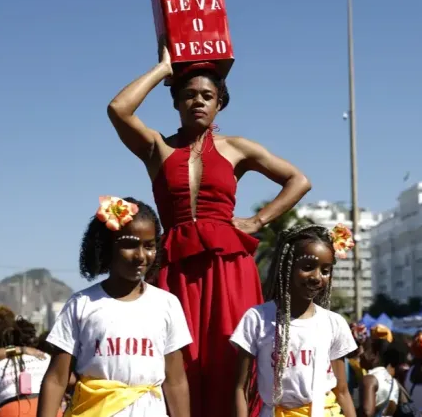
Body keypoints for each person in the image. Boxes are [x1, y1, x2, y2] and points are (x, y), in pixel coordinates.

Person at [106, 41, 311, 417]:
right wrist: (164, 69)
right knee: (176, 362)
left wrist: (258, 220)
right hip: (174, 269)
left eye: (207, 95)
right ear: (176, 102)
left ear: (219, 103)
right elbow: (118, 109)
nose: (197, 101)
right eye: (188, 95)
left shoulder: (237, 148)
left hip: (230, 267)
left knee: (233, 359)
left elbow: (298, 180)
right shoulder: (157, 148)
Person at [37, 197, 191, 417]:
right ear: (107, 247)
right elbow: (56, 379)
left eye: (149, 246)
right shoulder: (81, 304)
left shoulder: (167, 304)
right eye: (129, 245)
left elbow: (175, 381)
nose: (140, 256)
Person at [230, 224, 357, 417]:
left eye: (325, 270)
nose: (317, 277)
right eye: (307, 267)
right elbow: (241, 388)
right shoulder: (257, 318)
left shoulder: (334, 323)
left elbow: (342, 391)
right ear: (286, 267)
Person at [358, 339, 401, 417]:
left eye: (365, 350)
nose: (360, 354)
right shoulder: (393, 382)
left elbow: (367, 412)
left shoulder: (369, 379)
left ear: (375, 355)